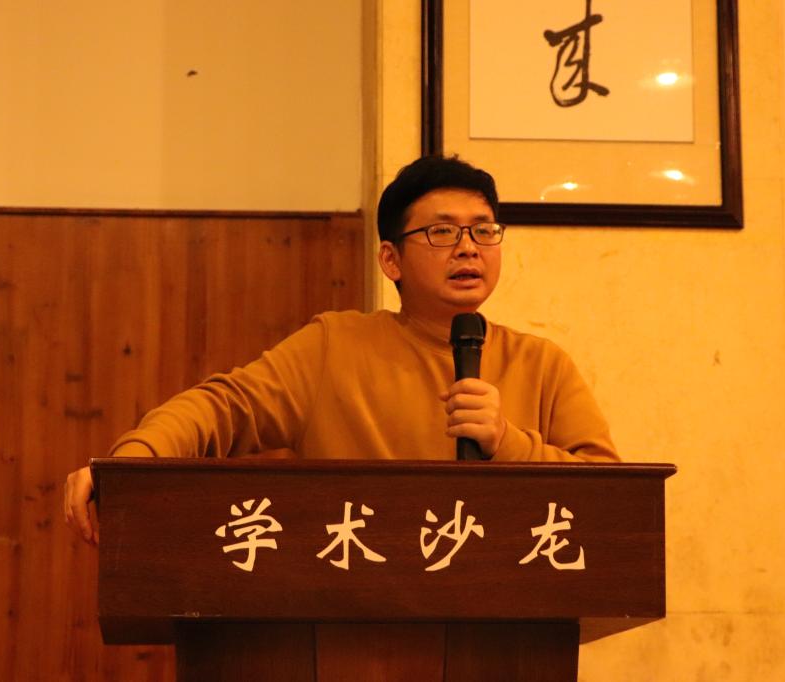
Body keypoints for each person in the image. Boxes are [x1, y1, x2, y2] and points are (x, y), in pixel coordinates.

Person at [64, 156, 618, 545]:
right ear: (390, 260)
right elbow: (223, 406)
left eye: (483, 231)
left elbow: (610, 499)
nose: (469, 248)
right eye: (443, 233)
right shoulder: (335, 346)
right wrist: (129, 465)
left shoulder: (542, 364)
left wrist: (507, 442)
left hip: (506, 632)